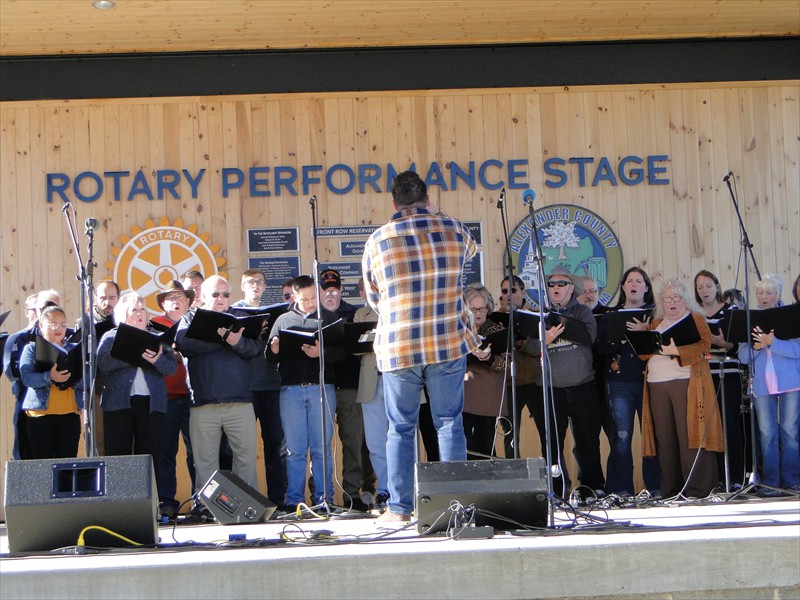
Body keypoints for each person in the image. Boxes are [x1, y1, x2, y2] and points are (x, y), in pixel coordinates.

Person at [362, 170, 480, 522]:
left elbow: (373, 296)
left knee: (400, 427)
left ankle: (399, 509)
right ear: (428, 199)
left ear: (393, 202)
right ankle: (455, 506)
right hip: (446, 342)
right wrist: (436, 216)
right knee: (448, 423)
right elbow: (470, 252)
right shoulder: (455, 230)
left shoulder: (378, 240)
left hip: (399, 346)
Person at [176, 275, 262, 497]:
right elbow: (184, 343)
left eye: (225, 294)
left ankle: (248, 506)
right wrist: (223, 340)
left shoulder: (240, 317)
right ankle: (206, 507)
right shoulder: (190, 318)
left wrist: (237, 342)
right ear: (202, 296)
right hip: (203, 404)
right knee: (204, 462)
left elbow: (254, 349)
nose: (221, 298)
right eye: (215, 294)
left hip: (239, 402)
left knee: (245, 459)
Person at [639, 278, 724, 499]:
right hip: (656, 385)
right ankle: (671, 491)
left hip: (686, 383)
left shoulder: (695, 319)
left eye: (676, 298)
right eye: (667, 299)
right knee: (665, 439)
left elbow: (705, 349)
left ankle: (697, 490)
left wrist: (678, 351)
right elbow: (643, 353)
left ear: (685, 300)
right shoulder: (656, 323)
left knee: (690, 436)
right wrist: (644, 341)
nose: (672, 303)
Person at [267, 275, 345, 510]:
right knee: (295, 449)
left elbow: (342, 351)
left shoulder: (329, 318)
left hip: (321, 388)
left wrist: (322, 354)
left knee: (322, 448)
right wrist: (274, 348)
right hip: (291, 390)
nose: (311, 303)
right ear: (294, 296)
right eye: (305, 299)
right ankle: (294, 500)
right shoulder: (283, 319)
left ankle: (324, 499)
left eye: (313, 298)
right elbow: (269, 357)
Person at [530, 265, 604, 499]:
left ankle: (591, 489)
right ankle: (556, 491)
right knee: (551, 445)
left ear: (572, 288)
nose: (556, 288)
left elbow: (588, 336)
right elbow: (530, 347)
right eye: (551, 284)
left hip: (582, 386)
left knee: (587, 441)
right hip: (550, 390)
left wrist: (556, 331)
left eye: (561, 284)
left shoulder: (582, 311)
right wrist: (545, 339)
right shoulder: (538, 314)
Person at [596, 266, 660, 496]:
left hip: (648, 380)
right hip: (618, 382)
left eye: (639, 280)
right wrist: (622, 339)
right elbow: (601, 347)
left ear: (646, 287)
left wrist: (646, 331)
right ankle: (621, 489)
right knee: (621, 437)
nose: (634, 284)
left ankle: (656, 487)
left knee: (651, 436)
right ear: (623, 287)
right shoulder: (609, 315)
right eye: (629, 280)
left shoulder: (654, 315)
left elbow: (663, 346)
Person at [97, 292, 177, 466]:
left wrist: (157, 360)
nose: (140, 313)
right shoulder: (111, 336)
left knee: (149, 458)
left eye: (142, 309)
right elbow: (103, 363)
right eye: (134, 309)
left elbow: (171, 368)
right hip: (118, 404)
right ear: (123, 313)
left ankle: (150, 494)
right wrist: (131, 354)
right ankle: (118, 494)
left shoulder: (157, 336)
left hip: (151, 404)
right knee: (118, 457)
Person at [738, 274, 800, 493]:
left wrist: (773, 343)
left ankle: (791, 480)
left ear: (779, 295)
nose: (765, 297)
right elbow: (743, 357)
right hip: (762, 386)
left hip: (791, 384)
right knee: (767, 433)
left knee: (790, 431)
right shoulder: (749, 318)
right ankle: (771, 482)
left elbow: (797, 350)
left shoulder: (792, 317)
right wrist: (756, 347)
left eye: (770, 292)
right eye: (761, 293)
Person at [232, 269, 287, 508]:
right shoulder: (232, 312)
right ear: (242, 285)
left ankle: (278, 499)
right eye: (251, 282)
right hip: (243, 387)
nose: (256, 286)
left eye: (260, 283)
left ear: (265, 287)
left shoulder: (276, 314)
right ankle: (244, 501)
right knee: (242, 448)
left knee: (276, 444)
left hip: (272, 385)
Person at [317, 268, 369, 511]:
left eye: (335, 290)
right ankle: (321, 493)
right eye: (326, 291)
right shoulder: (311, 314)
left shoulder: (353, 313)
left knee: (352, 440)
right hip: (321, 385)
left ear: (341, 291)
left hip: (349, 384)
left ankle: (352, 492)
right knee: (321, 442)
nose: (330, 295)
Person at [694, 269, 747, 488]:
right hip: (704, 374)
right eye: (699, 287)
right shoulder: (694, 315)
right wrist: (707, 350)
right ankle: (714, 478)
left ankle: (735, 478)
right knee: (708, 428)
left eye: (708, 285)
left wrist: (724, 345)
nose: (704, 290)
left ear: (717, 286)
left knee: (731, 426)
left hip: (729, 372)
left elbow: (739, 347)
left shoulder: (731, 311)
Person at [152, 280, 196, 519]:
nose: (176, 301)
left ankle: (200, 499)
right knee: (166, 453)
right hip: (165, 398)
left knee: (196, 453)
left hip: (194, 397)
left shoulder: (196, 323)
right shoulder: (154, 326)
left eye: (180, 297)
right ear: (163, 304)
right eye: (171, 298)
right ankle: (166, 501)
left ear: (188, 301)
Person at [18, 305, 84, 459]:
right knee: (43, 465)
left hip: (70, 415)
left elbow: (87, 379)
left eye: (62, 324)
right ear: (41, 325)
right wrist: (50, 376)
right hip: (40, 415)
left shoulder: (75, 349)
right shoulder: (31, 349)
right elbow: (27, 377)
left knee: (67, 464)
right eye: (53, 324)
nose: (58, 328)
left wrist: (73, 379)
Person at [4, 289, 62, 460]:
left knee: (61, 461)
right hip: (27, 405)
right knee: (27, 458)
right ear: (36, 310)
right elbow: (13, 371)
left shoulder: (68, 336)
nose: (50, 311)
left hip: (62, 408)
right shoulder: (19, 338)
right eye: (46, 306)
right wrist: (47, 373)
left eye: (55, 306)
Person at [354, 277, 389, 511]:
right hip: (370, 382)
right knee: (376, 442)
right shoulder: (361, 316)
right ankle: (385, 490)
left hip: (397, 380)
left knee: (402, 438)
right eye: (367, 289)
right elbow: (355, 349)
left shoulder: (398, 310)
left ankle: (404, 489)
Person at [498, 275, 542, 459]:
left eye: (513, 290)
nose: (508, 295)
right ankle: (511, 478)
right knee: (510, 436)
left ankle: (555, 480)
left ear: (523, 292)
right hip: (508, 385)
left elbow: (539, 347)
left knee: (547, 434)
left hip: (535, 382)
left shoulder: (535, 314)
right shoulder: (496, 318)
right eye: (504, 291)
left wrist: (521, 342)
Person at [463, 283, 509, 459]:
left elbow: (509, 361)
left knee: (486, 446)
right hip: (464, 396)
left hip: (488, 397)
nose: (478, 313)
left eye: (482, 308)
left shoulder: (498, 330)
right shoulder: (459, 331)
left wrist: (489, 358)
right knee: (467, 446)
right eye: (473, 309)